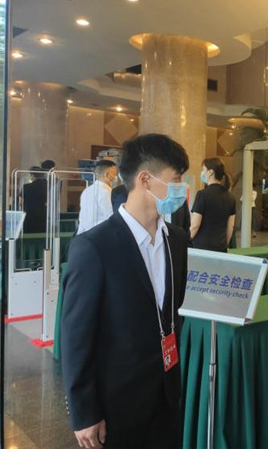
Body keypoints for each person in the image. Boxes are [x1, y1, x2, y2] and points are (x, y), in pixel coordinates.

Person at [61, 133, 190, 448]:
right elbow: (76, 336)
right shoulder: (94, 247)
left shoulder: (176, 240)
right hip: (117, 402)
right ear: (145, 180)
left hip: (168, 393)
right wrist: (83, 411)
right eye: (176, 179)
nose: (182, 188)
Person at [190, 157, 235, 253]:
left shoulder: (202, 195)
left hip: (201, 249)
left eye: (203, 170)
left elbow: (195, 225)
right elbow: (230, 226)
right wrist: (224, 244)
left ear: (210, 172)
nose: (202, 173)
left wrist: (185, 241)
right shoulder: (230, 197)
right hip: (221, 248)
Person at [77, 160, 117, 234]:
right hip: (100, 234)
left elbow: (82, 218)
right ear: (107, 175)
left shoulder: (86, 191)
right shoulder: (106, 192)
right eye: (115, 174)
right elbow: (111, 217)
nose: (115, 177)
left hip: (84, 234)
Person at [21, 166, 48, 234]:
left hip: (29, 214)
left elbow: (20, 201)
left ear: (32, 175)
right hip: (42, 213)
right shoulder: (47, 185)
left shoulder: (26, 187)